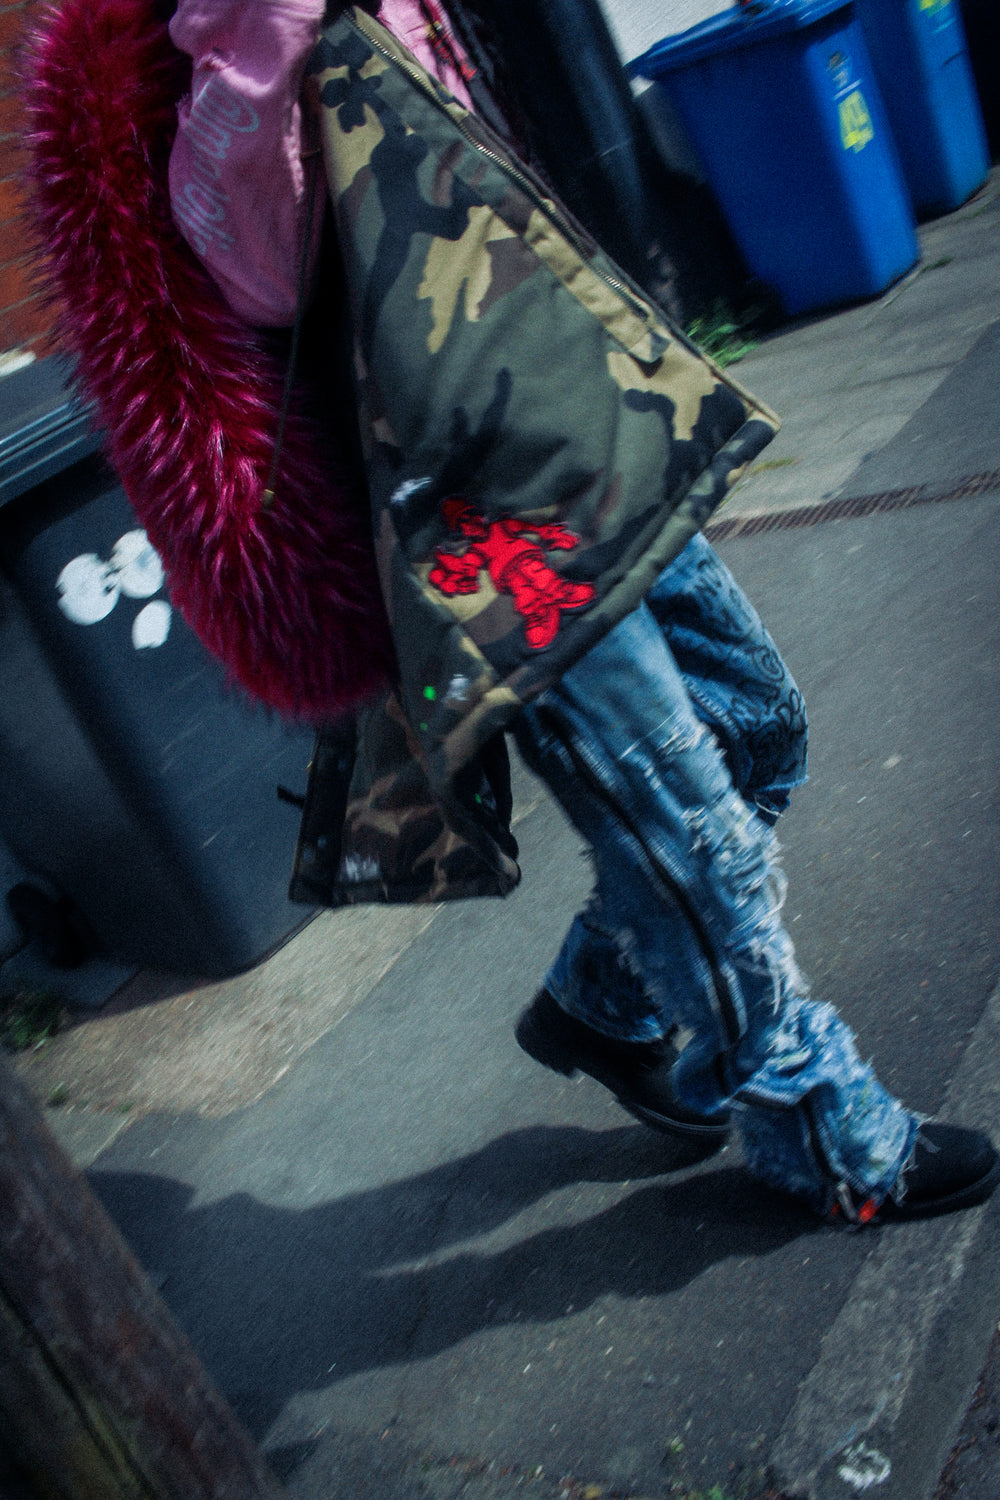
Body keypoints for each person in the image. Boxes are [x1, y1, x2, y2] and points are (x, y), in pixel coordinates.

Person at [27, 0, 999, 1226]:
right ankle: (821, 1132)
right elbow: (262, 275)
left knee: (756, 726)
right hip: (478, 514)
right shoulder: (206, 40)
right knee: (689, 830)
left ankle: (603, 1000)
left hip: (576, 421)